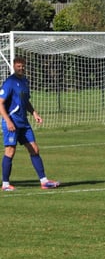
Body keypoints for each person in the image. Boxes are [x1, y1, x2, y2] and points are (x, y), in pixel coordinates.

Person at [0, 57, 60, 191]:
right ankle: (5, 185)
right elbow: (0, 104)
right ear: (14, 67)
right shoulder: (10, 82)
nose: (21, 68)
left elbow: (25, 101)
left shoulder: (25, 81)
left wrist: (34, 113)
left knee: (34, 149)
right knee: (10, 151)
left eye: (23, 66)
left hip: (24, 123)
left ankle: (44, 182)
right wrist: (8, 121)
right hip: (12, 122)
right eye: (18, 66)